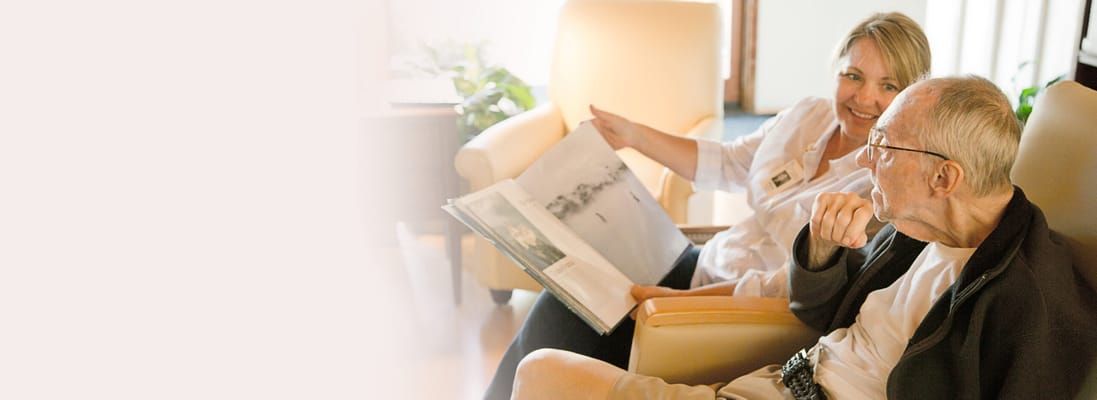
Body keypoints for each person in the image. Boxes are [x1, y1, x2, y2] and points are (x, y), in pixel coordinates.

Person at [510, 75, 1097, 399]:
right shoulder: (920, 226)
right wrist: (820, 251)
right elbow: (817, 313)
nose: (867, 159)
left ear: (945, 177)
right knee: (543, 366)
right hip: (774, 382)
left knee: (544, 373)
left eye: (885, 146)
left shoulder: (1031, 300)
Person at [482, 12, 931, 399]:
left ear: (910, 98)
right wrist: (634, 136)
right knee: (566, 289)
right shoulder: (810, 114)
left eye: (887, 85)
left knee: (563, 320)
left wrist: (683, 300)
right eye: (853, 75)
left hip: (730, 309)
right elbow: (732, 162)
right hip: (700, 262)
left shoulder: (883, 184)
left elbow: (784, 286)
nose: (863, 98)